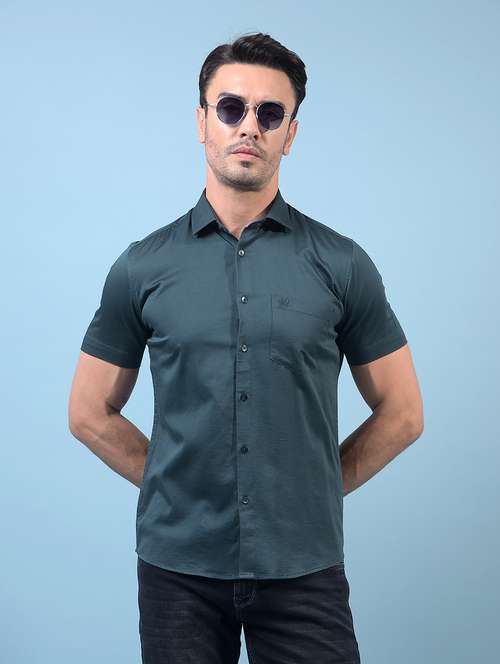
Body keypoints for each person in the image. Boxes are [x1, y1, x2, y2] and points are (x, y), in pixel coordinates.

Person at [68, 31, 423, 664]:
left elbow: (403, 413)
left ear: (291, 132)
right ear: (202, 121)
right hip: (177, 572)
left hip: (305, 566)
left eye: (270, 113)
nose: (249, 127)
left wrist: (315, 490)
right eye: (230, 107)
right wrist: (176, 487)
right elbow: (87, 412)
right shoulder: (142, 267)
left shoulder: (342, 264)